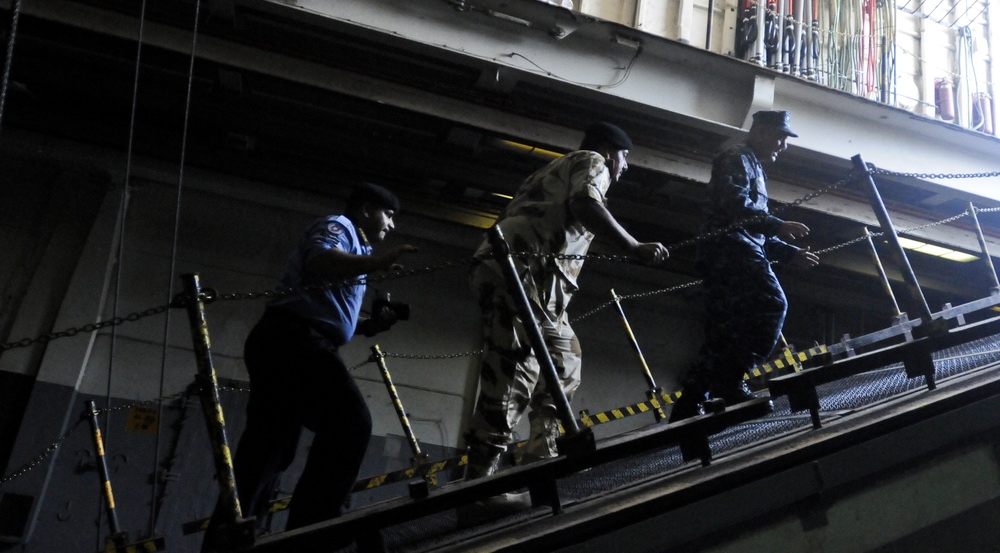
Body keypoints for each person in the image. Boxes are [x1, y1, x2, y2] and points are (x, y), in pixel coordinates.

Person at [462, 122, 669, 494]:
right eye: (625, 158)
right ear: (610, 151)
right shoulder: (592, 161)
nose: (625, 167)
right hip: (520, 275)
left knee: (564, 358)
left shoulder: (559, 169)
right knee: (513, 369)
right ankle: (477, 488)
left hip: (540, 287)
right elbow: (585, 204)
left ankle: (542, 458)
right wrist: (633, 246)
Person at [221, 183, 418, 541]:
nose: (391, 226)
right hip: (293, 341)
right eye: (389, 215)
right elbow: (319, 260)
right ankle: (316, 530)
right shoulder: (339, 227)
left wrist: (370, 326)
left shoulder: (356, 247)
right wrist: (378, 262)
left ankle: (232, 538)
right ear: (367, 209)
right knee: (351, 423)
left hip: (286, 339)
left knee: (269, 447)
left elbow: (328, 311)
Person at [669, 110, 819, 422]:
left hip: (730, 251)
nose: (783, 145)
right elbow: (734, 207)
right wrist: (777, 224)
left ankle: (690, 403)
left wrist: (789, 253)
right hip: (729, 252)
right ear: (761, 132)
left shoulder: (751, 164)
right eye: (780, 137)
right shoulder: (736, 156)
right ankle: (732, 379)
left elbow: (749, 228)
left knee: (724, 333)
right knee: (771, 303)